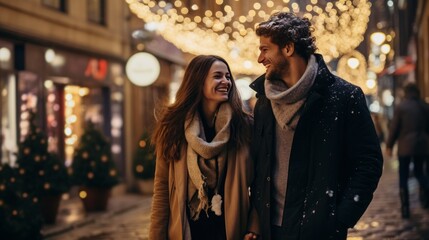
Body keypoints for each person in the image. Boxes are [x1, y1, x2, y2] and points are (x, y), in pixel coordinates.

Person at [246, 12, 383, 240]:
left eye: (265, 49)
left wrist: (340, 219)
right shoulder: (263, 102)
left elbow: (368, 163)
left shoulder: (344, 97)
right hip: (269, 231)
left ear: (288, 49)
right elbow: (259, 166)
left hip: (319, 231)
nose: (260, 58)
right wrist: (255, 221)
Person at [149, 55, 254, 239]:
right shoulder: (173, 127)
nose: (226, 81)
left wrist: (255, 227)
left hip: (231, 230)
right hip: (189, 230)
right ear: (198, 82)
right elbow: (162, 189)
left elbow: (260, 183)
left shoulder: (243, 126)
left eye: (228, 76)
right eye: (217, 76)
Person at [385, 82, 429, 218]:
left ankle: (405, 208)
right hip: (422, 146)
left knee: (403, 177)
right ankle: (426, 195)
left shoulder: (401, 107)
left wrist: (389, 145)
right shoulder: (424, 106)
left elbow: (394, 128)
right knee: (420, 172)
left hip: (405, 147)